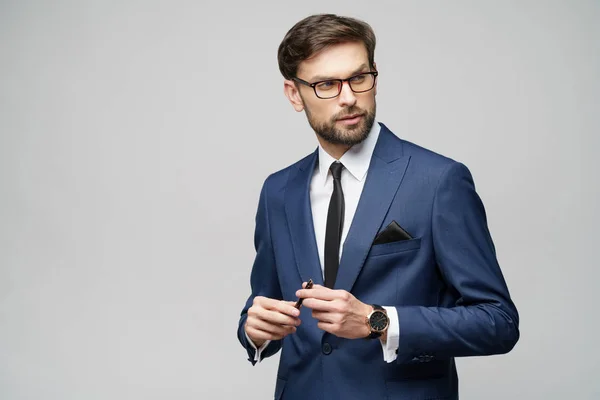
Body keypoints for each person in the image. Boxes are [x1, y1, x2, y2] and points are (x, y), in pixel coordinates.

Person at [236, 13, 519, 400]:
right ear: (293, 94)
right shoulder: (278, 191)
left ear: (375, 76)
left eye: (359, 77)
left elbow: (498, 321)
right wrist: (254, 331)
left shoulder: (438, 181)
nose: (349, 96)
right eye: (326, 85)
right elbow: (265, 303)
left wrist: (377, 320)